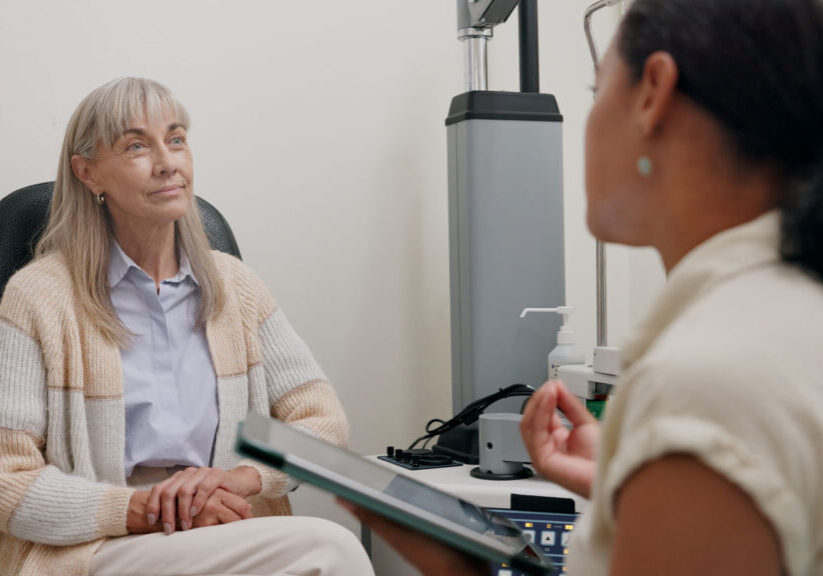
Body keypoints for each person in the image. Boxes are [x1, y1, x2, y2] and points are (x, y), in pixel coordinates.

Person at [346, 0, 823, 574]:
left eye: (596, 90)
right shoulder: (788, 312)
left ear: (653, 93)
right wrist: (630, 481)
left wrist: (459, 570)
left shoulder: (706, 380)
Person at [0, 78, 374, 576]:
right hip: (102, 544)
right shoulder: (39, 298)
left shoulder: (236, 286)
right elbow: (8, 479)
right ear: (88, 173)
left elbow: (324, 426)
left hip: (223, 528)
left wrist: (237, 481)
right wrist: (144, 510)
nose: (167, 162)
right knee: (330, 550)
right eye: (136, 145)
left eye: (176, 139)